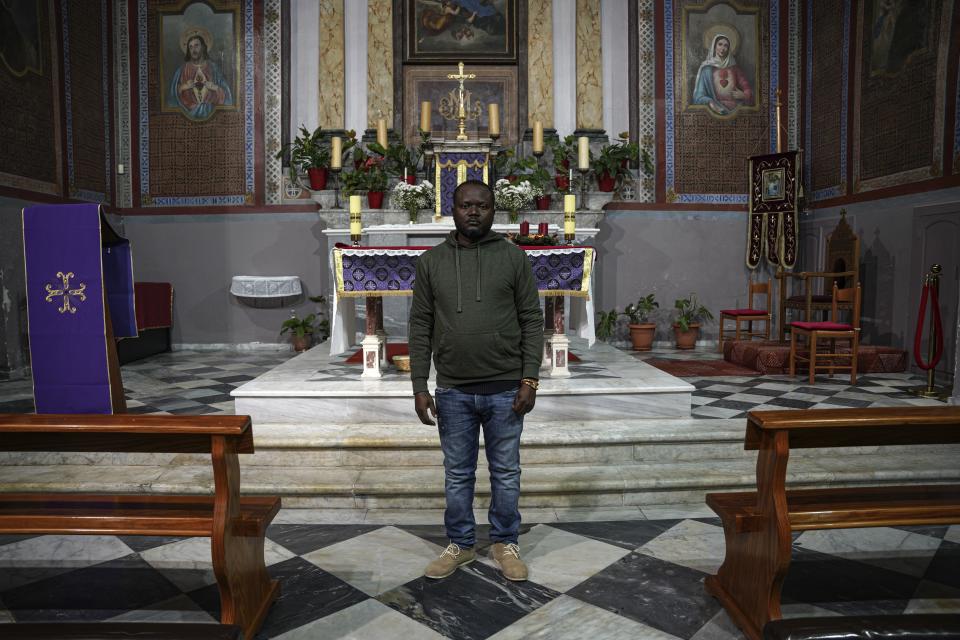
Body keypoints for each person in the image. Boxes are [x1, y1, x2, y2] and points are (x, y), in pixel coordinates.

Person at [409, 180, 543, 582]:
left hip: (505, 388)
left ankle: (505, 542)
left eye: (481, 206)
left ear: (493, 210)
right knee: (457, 474)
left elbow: (532, 320)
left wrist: (530, 379)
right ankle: (461, 543)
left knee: (506, 472)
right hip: (452, 389)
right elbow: (420, 325)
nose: (473, 212)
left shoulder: (514, 258)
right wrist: (419, 384)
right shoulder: (431, 262)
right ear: (452, 208)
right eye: (466, 205)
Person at [170, 31, 232, 121]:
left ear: (203, 47)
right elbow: (172, 97)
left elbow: (227, 96)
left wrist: (215, 87)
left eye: (196, 45)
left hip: (212, 115)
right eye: (190, 47)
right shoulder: (182, 70)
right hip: (186, 116)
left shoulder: (214, 69)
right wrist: (183, 87)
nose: (193, 50)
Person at [692, 32, 753, 115]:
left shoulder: (735, 69)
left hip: (735, 111)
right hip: (714, 110)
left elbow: (747, 88)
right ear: (714, 46)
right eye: (720, 44)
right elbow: (698, 96)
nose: (722, 48)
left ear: (729, 49)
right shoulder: (706, 70)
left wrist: (744, 95)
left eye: (726, 45)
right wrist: (710, 102)